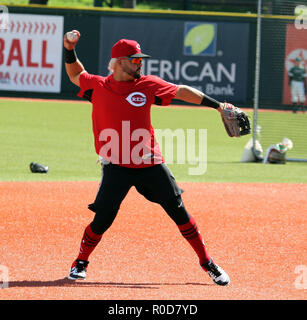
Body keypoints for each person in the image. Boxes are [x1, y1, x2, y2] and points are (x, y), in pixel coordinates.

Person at [63, 30, 232, 286]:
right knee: (103, 219)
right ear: (119, 62)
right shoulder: (97, 86)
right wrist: (68, 48)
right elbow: (76, 74)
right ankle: (80, 262)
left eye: (141, 59)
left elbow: (181, 90)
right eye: (135, 59)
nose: (140, 63)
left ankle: (207, 262)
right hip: (116, 166)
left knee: (180, 213)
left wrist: (217, 105)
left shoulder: (148, 85)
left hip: (149, 162)